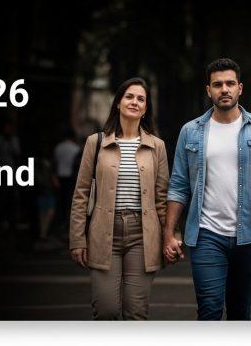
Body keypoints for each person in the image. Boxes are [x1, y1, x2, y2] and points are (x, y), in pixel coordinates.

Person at [163, 58, 251, 320]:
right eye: (217, 84)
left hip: (250, 235)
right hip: (206, 234)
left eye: (230, 83)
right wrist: (169, 232)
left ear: (240, 88)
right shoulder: (191, 131)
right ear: (208, 90)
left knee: (239, 313)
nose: (224, 89)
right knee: (209, 310)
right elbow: (178, 185)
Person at [69, 77, 169, 320]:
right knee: (106, 310)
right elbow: (81, 193)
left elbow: (162, 198)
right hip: (103, 232)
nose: (135, 102)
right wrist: (77, 238)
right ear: (118, 103)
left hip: (142, 235)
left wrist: (170, 236)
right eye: (129, 96)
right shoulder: (96, 142)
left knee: (136, 313)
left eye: (141, 99)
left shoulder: (157, 146)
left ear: (146, 108)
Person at [54, 129, 81, 231]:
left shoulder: (58, 147)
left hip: (59, 177)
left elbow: (55, 163)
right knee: (71, 201)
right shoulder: (76, 148)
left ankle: (61, 223)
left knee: (61, 201)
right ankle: (68, 224)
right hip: (71, 177)